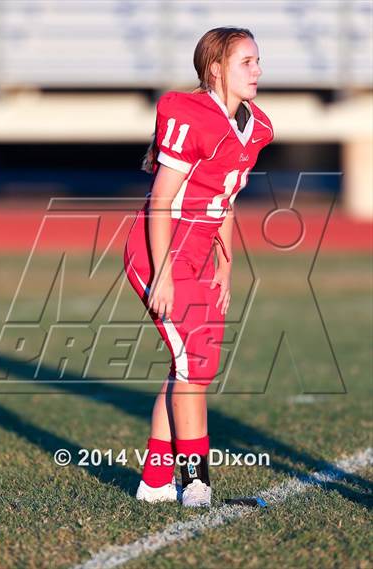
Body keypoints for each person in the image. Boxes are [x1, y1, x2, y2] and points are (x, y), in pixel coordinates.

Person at [123, 27, 273, 507]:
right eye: (246, 62)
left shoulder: (255, 127)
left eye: (257, 60)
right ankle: (195, 482)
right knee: (196, 368)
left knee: (186, 367)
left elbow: (224, 202)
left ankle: (154, 482)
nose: (257, 70)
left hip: (198, 256)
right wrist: (164, 272)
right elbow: (162, 200)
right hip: (157, 251)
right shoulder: (190, 115)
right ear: (216, 69)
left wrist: (226, 269)